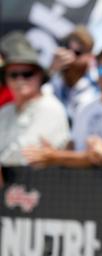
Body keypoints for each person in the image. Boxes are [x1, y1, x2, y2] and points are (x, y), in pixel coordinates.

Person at [0, 32, 69, 165]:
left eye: (27, 74)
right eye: (13, 75)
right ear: (6, 79)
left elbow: (25, 154)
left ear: (40, 76)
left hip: (42, 183)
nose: (20, 80)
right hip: (12, 182)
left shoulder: (50, 108)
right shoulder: (5, 111)